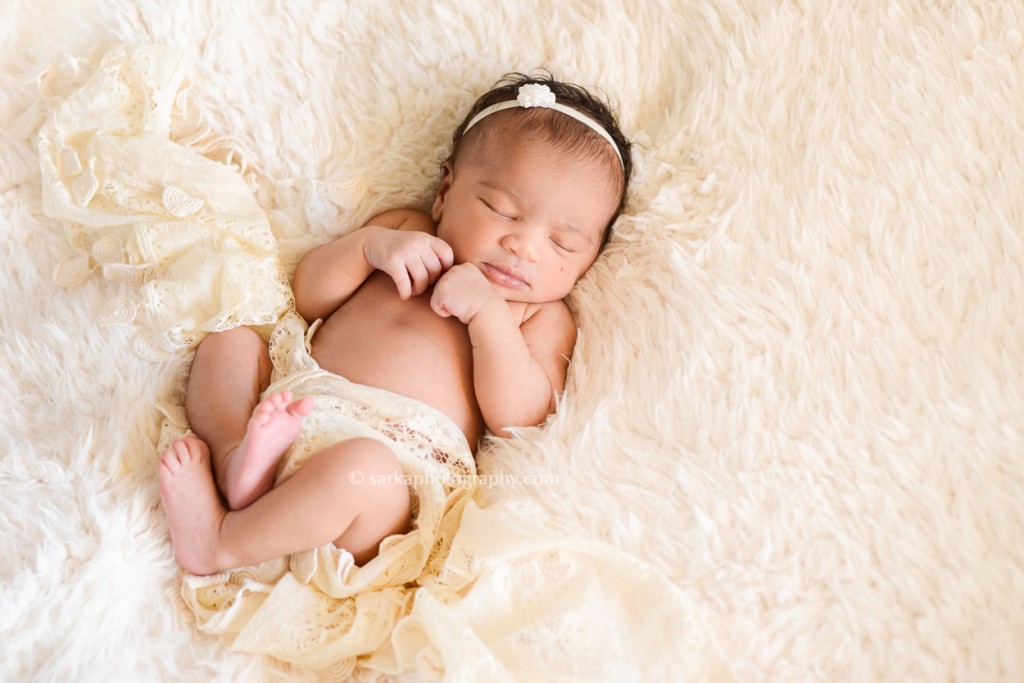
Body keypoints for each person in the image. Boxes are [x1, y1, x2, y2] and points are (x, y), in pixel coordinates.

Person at [157, 73, 633, 579]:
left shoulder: (539, 314)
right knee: (230, 343)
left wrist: (489, 316)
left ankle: (219, 544)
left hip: (390, 478)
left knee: (363, 468)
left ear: (591, 258)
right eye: (501, 210)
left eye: (563, 243)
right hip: (292, 408)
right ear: (445, 191)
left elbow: (520, 417)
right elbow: (310, 296)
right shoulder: (407, 231)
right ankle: (236, 461)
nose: (525, 246)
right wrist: (369, 248)